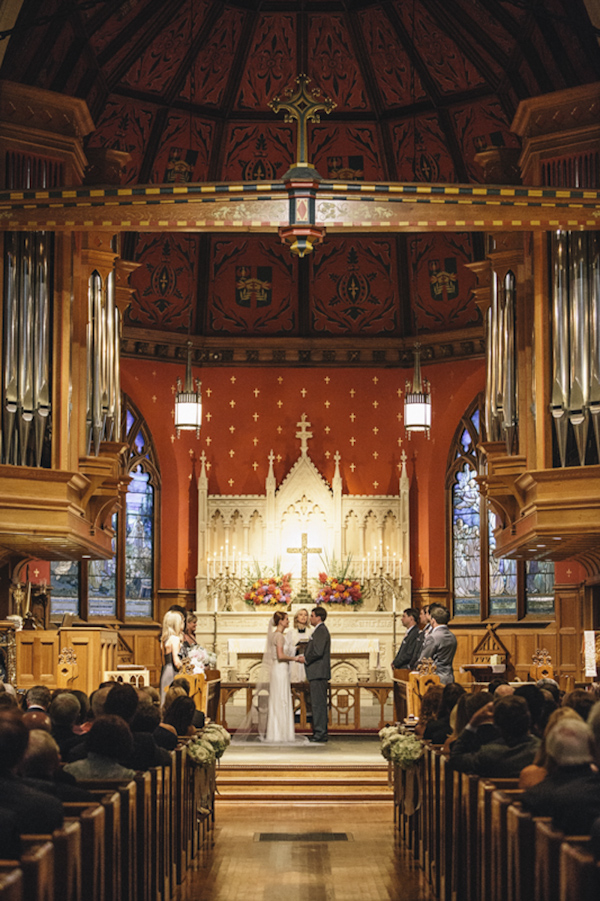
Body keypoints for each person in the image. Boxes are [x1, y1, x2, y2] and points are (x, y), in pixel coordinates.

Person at [264, 610, 303, 743]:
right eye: (286, 619)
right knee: (281, 699)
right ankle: (281, 733)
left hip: (278, 669)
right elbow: (280, 656)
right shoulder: (279, 636)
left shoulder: (275, 635)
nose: (288, 621)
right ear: (280, 621)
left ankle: (275, 733)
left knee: (278, 699)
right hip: (280, 669)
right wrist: (295, 658)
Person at [298, 606, 331, 743]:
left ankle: (320, 733)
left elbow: (317, 651)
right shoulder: (318, 631)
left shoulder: (321, 631)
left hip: (318, 672)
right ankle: (319, 731)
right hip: (316, 672)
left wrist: (306, 658)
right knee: (317, 704)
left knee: (319, 704)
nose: (309, 618)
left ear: (318, 617)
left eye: (311, 616)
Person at [419, 604, 457, 684]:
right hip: (449, 677)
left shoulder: (433, 637)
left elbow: (424, 659)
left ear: (433, 620)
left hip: (435, 678)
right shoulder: (452, 636)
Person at [160, 610, 184, 703]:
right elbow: (176, 661)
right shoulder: (175, 639)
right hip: (173, 671)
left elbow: (163, 660)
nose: (183, 623)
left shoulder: (164, 639)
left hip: (166, 670)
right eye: (181, 621)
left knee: (165, 697)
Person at [287, 608, 313, 683]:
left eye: (305, 615)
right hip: (295, 661)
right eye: (301, 615)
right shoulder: (291, 633)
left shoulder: (311, 631)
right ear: (297, 617)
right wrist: (296, 648)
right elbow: (287, 648)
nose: (303, 617)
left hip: (307, 660)